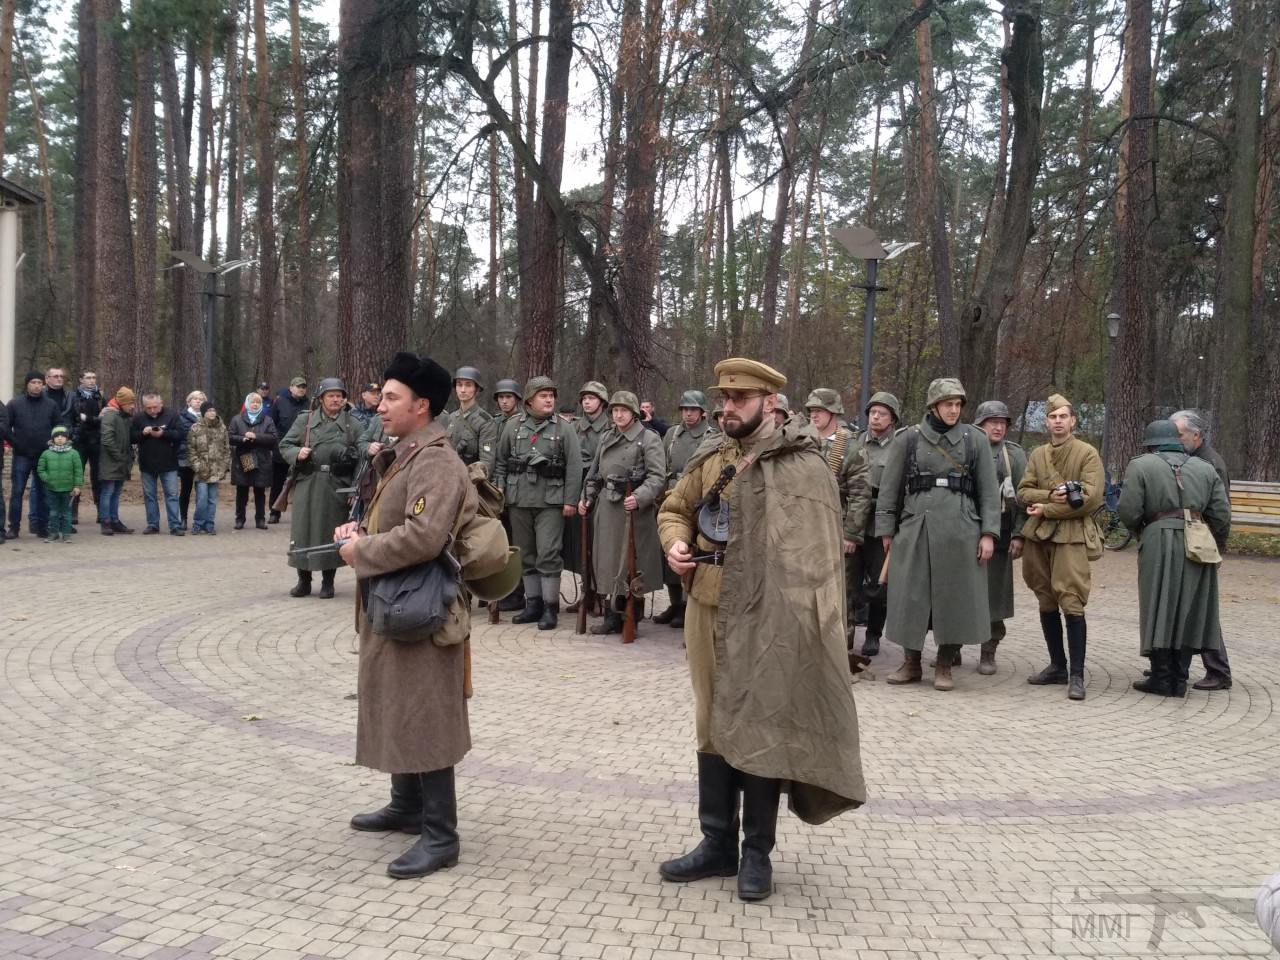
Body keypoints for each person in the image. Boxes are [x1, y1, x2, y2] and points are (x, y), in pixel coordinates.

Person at [657, 357, 864, 902]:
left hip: (773, 616)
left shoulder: (806, 465)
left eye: (740, 400)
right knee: (713, 720)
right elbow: (675, 507)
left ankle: (756, 854)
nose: (727, 409)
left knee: (764, 724)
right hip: (708, 605)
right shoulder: (712, 455)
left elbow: (818, 558)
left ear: (770, 403)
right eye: (723, 399)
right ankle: (716, 844)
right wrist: (675, 543)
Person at [341, 352, 475, 880]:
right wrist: (360, 537)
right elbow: (389, 518)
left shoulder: (437, 460)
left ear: (422, 406)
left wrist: (363, 552)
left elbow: (424, 536)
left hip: (422, 607)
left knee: (426, 713)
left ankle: (441, 835)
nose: (381, 405)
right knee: (396, 701)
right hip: (395, 601)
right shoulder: (406, 453)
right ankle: (406, 805)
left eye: (392, 398)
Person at [874, 378, 1000, 691]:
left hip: (961, 529)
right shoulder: (909, 438)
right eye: (948, 404)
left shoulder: (975, 439)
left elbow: (988, 492)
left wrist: (988, 534)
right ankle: (911, 662)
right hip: (916, 526)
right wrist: (887, 530)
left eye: (958, 405)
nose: (954, 410)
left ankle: (945, 664)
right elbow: (890, 488)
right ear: (934, 406)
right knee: (909, 597)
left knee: (954, 597)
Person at [1118, 419, 1231, 696]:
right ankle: (1180, 678)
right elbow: (1221, 514)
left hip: (1157, 537)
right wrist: (1211, 539)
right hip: (1198, 539)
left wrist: (1141, 532)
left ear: (1151, 444)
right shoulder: (1205, 468)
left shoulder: (1141, 465)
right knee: (1189, 608)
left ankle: (1161, 676)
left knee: (1158, 603)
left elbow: (1128, 509)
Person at [1018, 393, 1104, 701]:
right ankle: (1057, 665)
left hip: (1071, 535)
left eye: (1063, 416)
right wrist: (1047, 496)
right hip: (1040, 537)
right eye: (1053, 417)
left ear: (1073, 421)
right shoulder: (1038, 454)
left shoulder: (1087, 454)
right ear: (1047, 421)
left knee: (1071, 600)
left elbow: (1091, 499)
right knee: (1045, 597)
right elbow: (1023, 491)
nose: (1058, 421)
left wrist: (1047, 509)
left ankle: (1077, 675)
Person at [493, 376, 582, 630]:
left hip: (550, 501)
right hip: (519, 498)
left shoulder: (564, 428)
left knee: (548, 553)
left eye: (551, 395)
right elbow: (501, 461)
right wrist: (499, 489)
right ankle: (532, 604)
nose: (549, 400)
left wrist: (570, 501)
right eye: (543, 396)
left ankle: (550, 607)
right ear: (530, 400)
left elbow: (574, 468)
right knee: (526, 553)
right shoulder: (513, 426)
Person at [578, 391, 667, 636]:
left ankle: (631, 614)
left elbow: (658, 477)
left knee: (630, 565)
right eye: (615, 411)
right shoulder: (607, 437)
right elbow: (594, 474)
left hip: (633, 512)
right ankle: (611, 615)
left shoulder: (648, 438)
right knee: (606, 562)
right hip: (607, 508)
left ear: (634, 413)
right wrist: (586, 497)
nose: (618, 415)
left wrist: (638, 498)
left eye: (623, 411)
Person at [279, 378, 361, 599]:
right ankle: (303, 580)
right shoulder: (306, 420)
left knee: (331, 531)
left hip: (336, 484)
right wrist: (297, 454)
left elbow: (361, 455)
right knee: (303, 531)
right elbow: (285, 445)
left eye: (339, 395)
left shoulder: (351, 423)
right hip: (308, 481)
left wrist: (355, 487)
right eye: (330, 395)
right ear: (321, 398)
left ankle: (328, 582)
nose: (335, 399)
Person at [1170, 409, 1233, 691]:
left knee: (1200, 608)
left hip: (1204, 544)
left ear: (1196, 435)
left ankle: (1218, 670)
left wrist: (1215, 550)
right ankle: (1174, 664)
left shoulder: (1210, 464)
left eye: (1179, 435)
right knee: (1188, 606)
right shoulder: (1192, 459)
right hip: (1195, 542)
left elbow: (1221, 511)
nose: (1175, 440)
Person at [804, 389, 872, 643]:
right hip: (806, 529)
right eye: (811, 411)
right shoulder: (804, 442)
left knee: (842, 590)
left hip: (836, 528)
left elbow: (860, 494)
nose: (813, 415)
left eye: (818, 411)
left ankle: (842, 645)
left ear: (833, 413)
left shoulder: (850, 447)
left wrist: (851, 534)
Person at [971, 401, 1027, 675]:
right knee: (962, 593)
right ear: (980, 424)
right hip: (967, 532)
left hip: (1002, 535)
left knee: (995, 596)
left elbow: (1023, 498)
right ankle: (953, 648)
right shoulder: (966, 449)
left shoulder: (1014, 456)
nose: (998, 427)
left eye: (1002, 422)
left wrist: (1019, 535)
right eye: (992, 421)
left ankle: (988, 650)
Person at [656, 390, 719, 628]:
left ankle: (687, 606)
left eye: (693, 409)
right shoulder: (672, 434)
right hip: (672, 498)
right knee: (671, 553)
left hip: (698, 501)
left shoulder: (711, 436)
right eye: (685, 409)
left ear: (703, 413)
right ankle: (675, 604)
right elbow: (662, 465)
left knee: (691, 554)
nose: (688, 414)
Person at [850, 391, 903, 657]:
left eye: (882, 413)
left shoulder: (901, 446)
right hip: (855, 521)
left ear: (892, 419)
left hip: (882, 525)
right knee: (850, 579)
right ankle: (848, 630)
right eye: (872, 412)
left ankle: (873, 634)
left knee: (880, 585)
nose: (875, 417)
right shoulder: (857, 441)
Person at [564, 380, 611, 610]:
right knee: (581, 543)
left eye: (591, 398)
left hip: (602, 488)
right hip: (578, 486)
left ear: (602, 402)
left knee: (600, 543)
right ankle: (587, 593)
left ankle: (603, 594)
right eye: (584, 399)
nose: (587, 402)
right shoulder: (574, 427)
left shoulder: (610, 427)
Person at [7, 371, 61, 538]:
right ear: (27, 384)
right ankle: (14, 527)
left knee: (44, 492)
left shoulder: (51, 405)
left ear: (43, 384)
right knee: (17, 492)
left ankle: (42, 526)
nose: (37, 385)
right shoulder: (15, 404)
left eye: (39, 382)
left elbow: (58, 427)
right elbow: (6, 427)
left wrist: (52, 445)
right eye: (33, 382)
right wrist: (17, 444)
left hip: (44, 455)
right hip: (22, 455)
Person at [491, 379, 526, 612]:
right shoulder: (493, 423)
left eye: (509, 397)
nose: (504, 401)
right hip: (495, 488)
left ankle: (517, 592)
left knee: (516, 543)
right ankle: (498, 589)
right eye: (501, 398)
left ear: (517, 400)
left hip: (515, 490)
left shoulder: (522, 423)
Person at [131, 392, 185, 535]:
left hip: (168, 462)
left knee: (172, 495)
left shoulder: (172, 415)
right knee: (150, 495)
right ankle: (153, 524)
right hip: (147, 463)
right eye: (148, 408)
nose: (152, 410)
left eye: (155, 407)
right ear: (144, 407)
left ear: (161, 404)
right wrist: (143, 433)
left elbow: (180, 434)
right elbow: (131, 438)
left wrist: (164, 434)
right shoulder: (138, 418)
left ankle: (175, 525)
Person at [229, 392, 279, 529]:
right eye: (253, 402)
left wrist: (256, 436)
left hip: (262, 460)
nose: (255, 404)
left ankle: (260, 519)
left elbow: (273, 438)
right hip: (244, 458)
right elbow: (230, 436)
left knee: (260, 492)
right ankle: (239, 519)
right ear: (247, 404)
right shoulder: (237, 419)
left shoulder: (267, 420)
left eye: (258, 402)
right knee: (242, 491)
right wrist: (242, 438)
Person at [269, 376, 310, 522]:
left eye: (303, 387)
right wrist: (276, 443)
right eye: (298, 386)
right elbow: (271, 423)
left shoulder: (309, 403)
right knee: (277, 482)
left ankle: (301, 514)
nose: (301, 389)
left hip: (301, 450)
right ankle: (274, 512)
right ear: (291, 387)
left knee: (301, 483)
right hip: (281, 448)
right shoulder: (279, 402)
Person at [68, 370, 105, 525]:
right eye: (88, 378)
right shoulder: (73, 396)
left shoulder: (101, 397)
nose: (91, 380)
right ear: (81, 379)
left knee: (98, 477)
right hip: (80, 440)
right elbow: (76, 416)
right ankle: (73, 512)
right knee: (77, 476)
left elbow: (106, 416)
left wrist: (88, 419)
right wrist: (95, 419)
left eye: (94, 378)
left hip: (97, 440)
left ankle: (101, 512)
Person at [97, 388, 136, 535]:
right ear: (122, 402)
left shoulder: (123, 416)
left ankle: (114, 520)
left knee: (116, 492)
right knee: (108, 492)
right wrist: (119, 456)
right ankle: (106, 522)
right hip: (111, 461)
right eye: (130, 403)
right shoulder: (110, 416)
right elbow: (107, 439)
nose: (132, 406)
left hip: (121, 461)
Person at [188, 401, 230, 534]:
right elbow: (191, 450)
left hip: (216, 470)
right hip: (202, 471)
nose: (212, 412)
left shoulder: (222, 428)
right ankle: (198, 523)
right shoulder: (196, 428)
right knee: (201, 498)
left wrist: (224, 466)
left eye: (213, 410)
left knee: (212, 499)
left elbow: (226, 449)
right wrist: (197, 466)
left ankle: (209, 523)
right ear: (203, 412)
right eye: (209, 410)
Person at [447, 366, 498, 477]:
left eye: (468, 385)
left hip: (470, 483)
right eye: (459, 384)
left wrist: (465, 480)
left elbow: (486, 464)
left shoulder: (486, 422)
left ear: (477, 389)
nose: (463, 389)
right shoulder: (451, 418)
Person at [36, 426, 82, 543]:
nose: (60, 438)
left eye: (63, 436)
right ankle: (53, 533)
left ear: (67, 438)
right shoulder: (46, 453)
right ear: (53, 438)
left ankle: (66, 534)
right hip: (52, 488)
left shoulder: (74, 454)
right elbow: (41, 469)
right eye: (57, 436)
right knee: (53, 513)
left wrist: (77, 486)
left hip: (68, 489)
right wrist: (47, 478)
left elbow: (78, 471)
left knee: (66, 513)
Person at [176, 389, 207, 531]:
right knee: (186, 490)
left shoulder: (209, 416)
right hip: (186, 456)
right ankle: (183, 518)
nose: (198, 401)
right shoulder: (181, 417)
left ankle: (200, 521)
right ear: (189, 401)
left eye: (201, 399)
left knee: (202, 491)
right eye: (195, 398)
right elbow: (184, 434)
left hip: (204, 458)